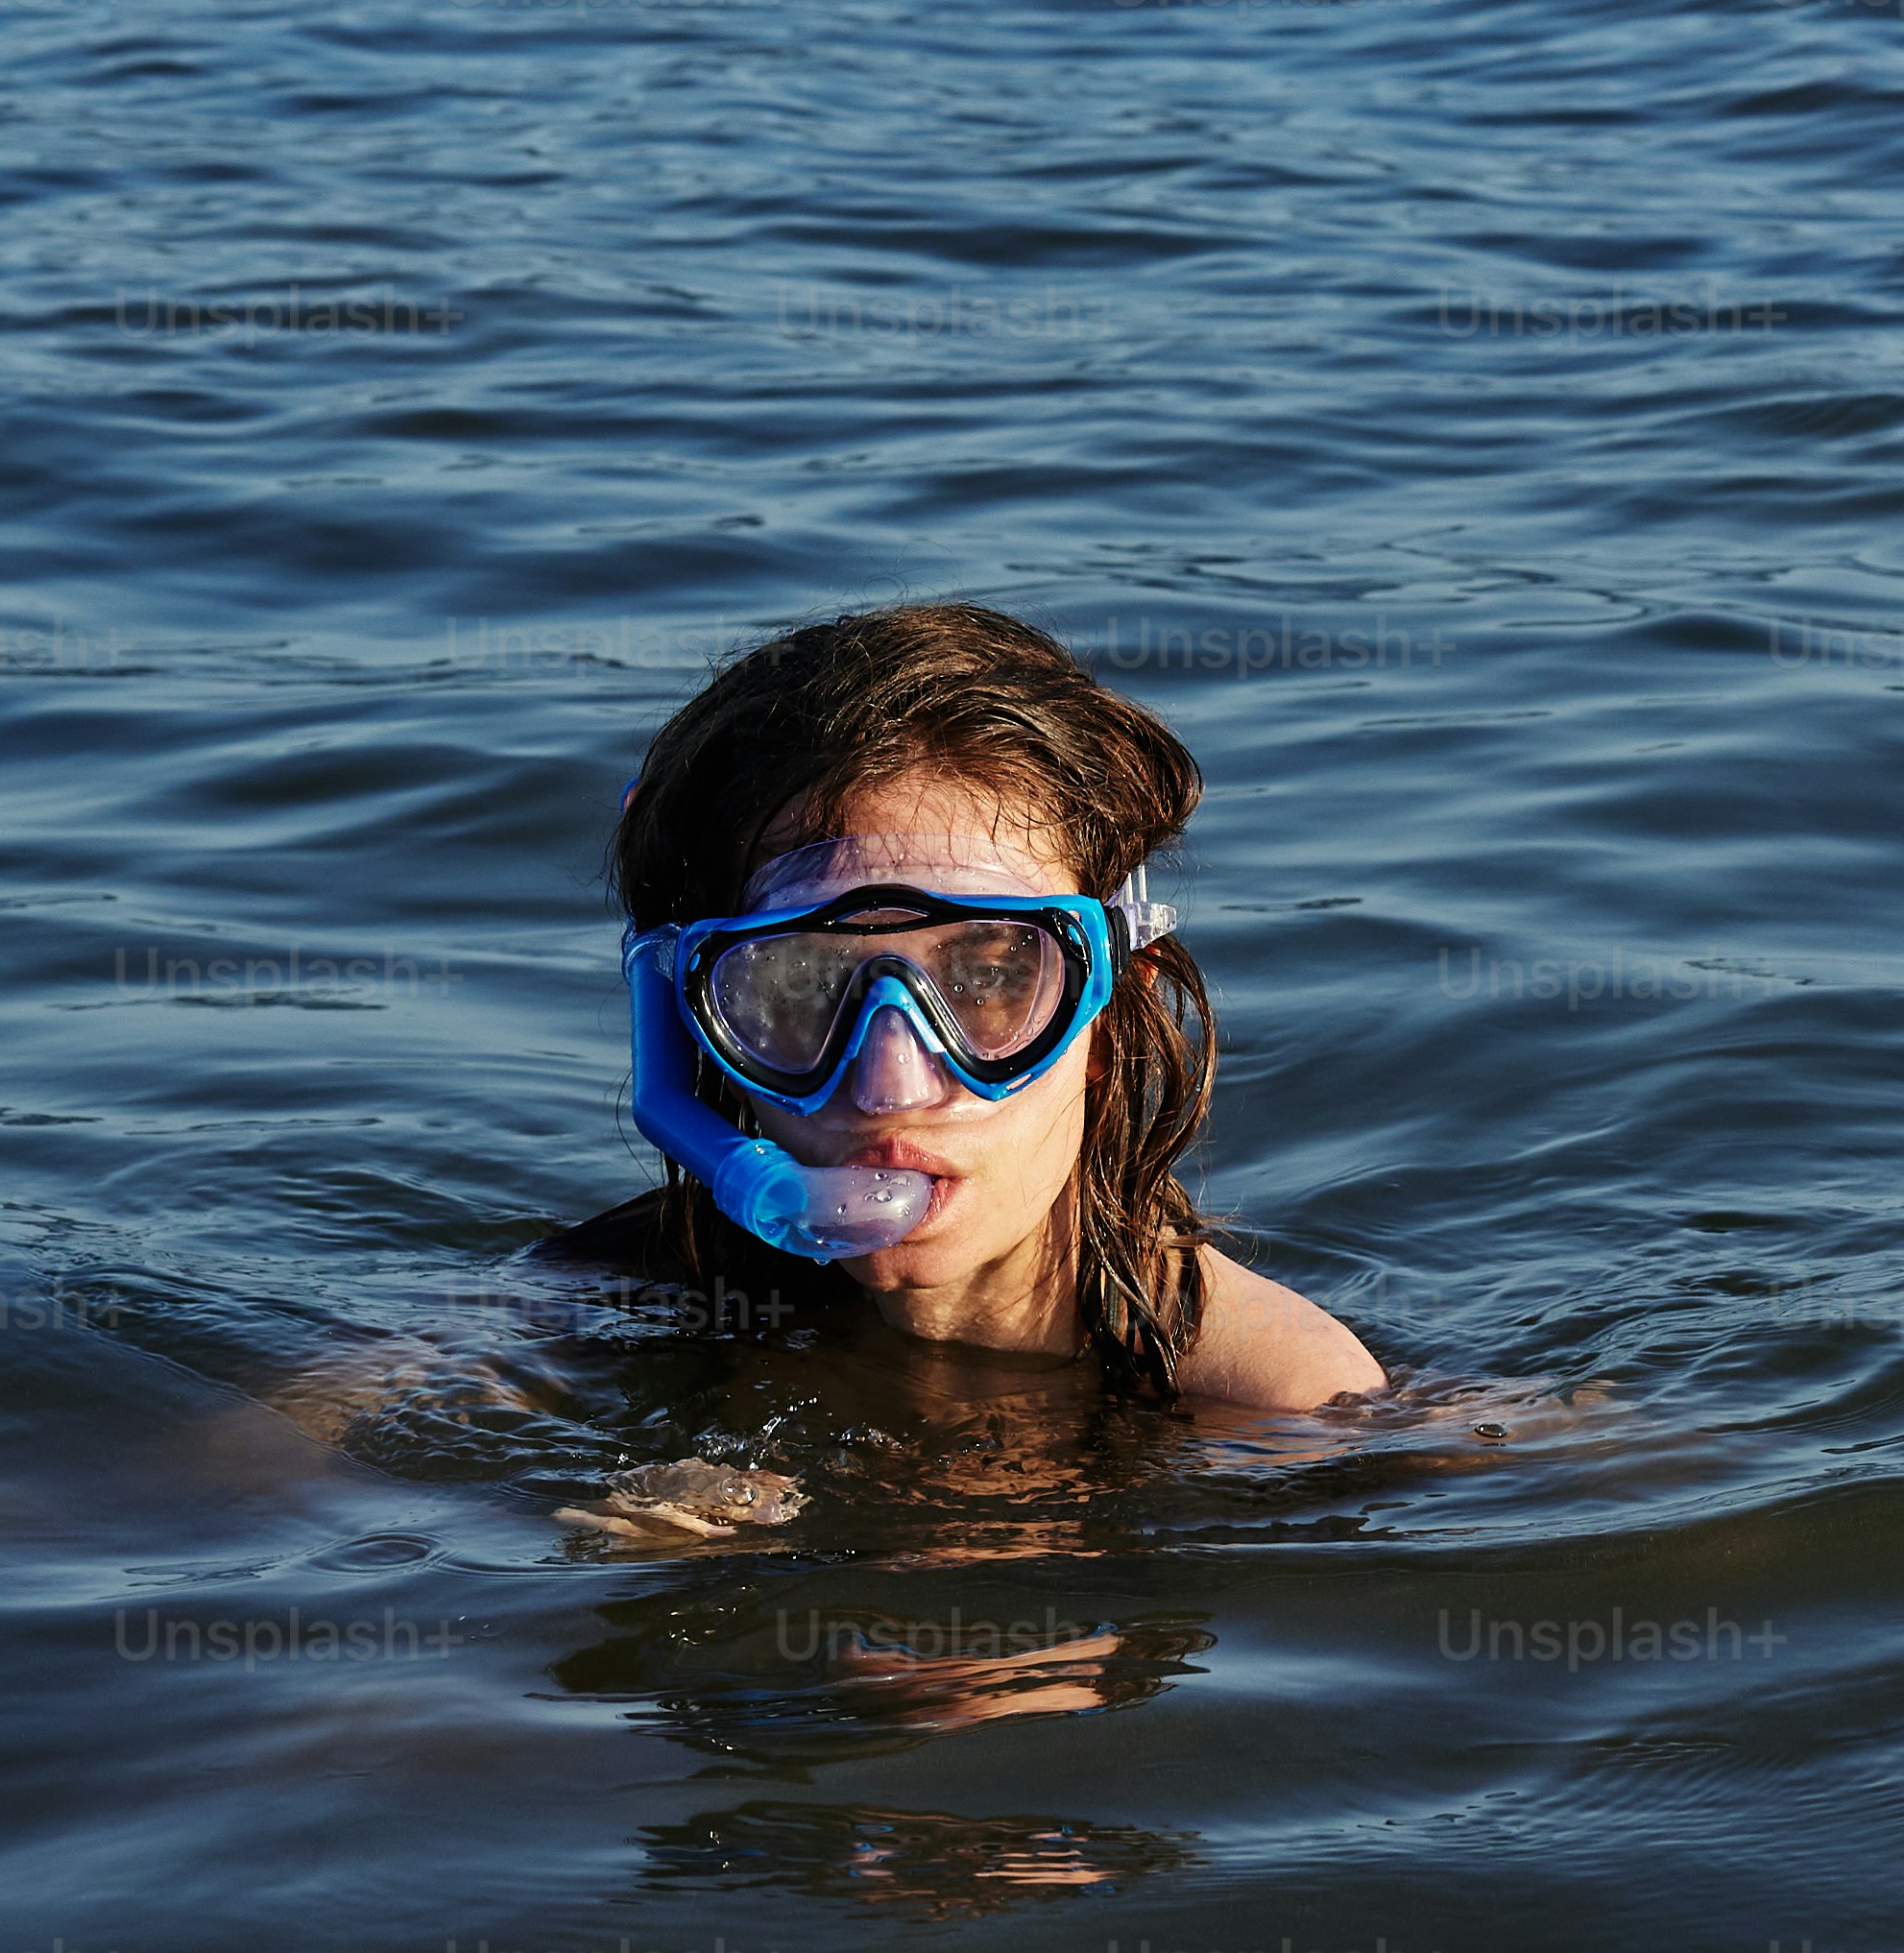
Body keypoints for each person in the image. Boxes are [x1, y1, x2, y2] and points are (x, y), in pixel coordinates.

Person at [562, 601, 1381, 1411]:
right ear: (694, 1026)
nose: (889, 1088)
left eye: (986, 980)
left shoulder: (1286, 1409)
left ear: (1110, 1017)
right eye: (803, 986)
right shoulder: (617, 1295)